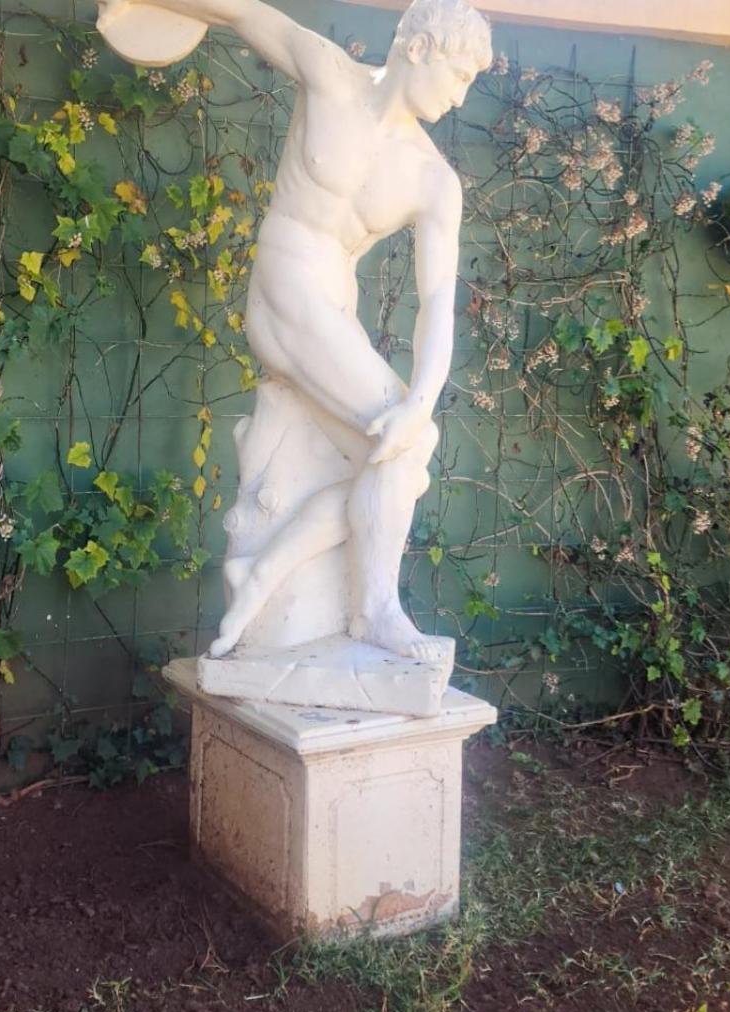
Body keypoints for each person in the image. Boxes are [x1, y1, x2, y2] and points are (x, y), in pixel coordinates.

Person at [105, 0, 492, 661]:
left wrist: (420, 403)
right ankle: (372, 610)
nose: (459, 98)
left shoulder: (435, 181)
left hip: (333, 310)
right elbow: (242, 12)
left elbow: (436, 303)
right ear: (420, 48)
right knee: (402, 446)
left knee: (401, 456)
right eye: (459, 76)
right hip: (285, 289)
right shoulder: (329, 75)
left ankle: (264, 575)